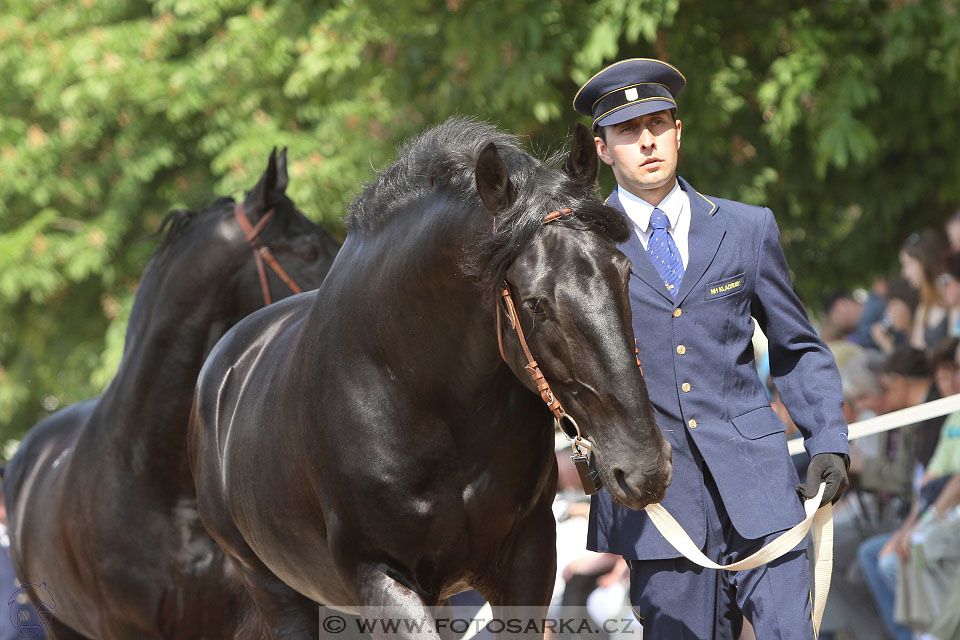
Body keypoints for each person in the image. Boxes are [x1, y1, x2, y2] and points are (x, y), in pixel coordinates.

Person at [572, 58, 849, 639]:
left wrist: (827, 438)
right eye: (626, 130)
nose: (646, 140)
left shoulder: (748, 228)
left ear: (678, 131)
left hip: (762, 488)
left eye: (657, 123)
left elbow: (797, 345)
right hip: (658, 506)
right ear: (602, 149)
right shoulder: (581, 248)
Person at [900, 229, 949, 350]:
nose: (904, 273)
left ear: (926, 262)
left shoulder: (953, 298)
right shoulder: (924, 306)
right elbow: (916, 355)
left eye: (909, 264)